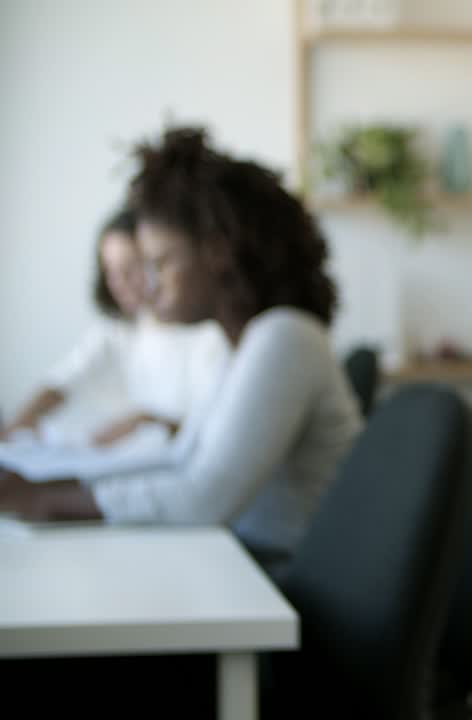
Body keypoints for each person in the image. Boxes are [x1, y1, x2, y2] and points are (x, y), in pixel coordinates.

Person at [0, 127, 364, 570]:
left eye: (161, 262)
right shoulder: (242, 345)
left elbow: (204, 496)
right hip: (244, 566)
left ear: (218, 253)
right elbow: (179, 462)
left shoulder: (285, 336)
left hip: (284, 584)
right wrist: (51, 484)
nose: (149, 284)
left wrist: (46, 500)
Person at [1, 208, 228, 447]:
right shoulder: (121, 329)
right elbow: (64, 380)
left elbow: (215, 429)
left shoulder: (206, 333)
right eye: (111, 271)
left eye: (131, 268)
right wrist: (19, 424)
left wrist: (148, 420)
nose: (120, 283)